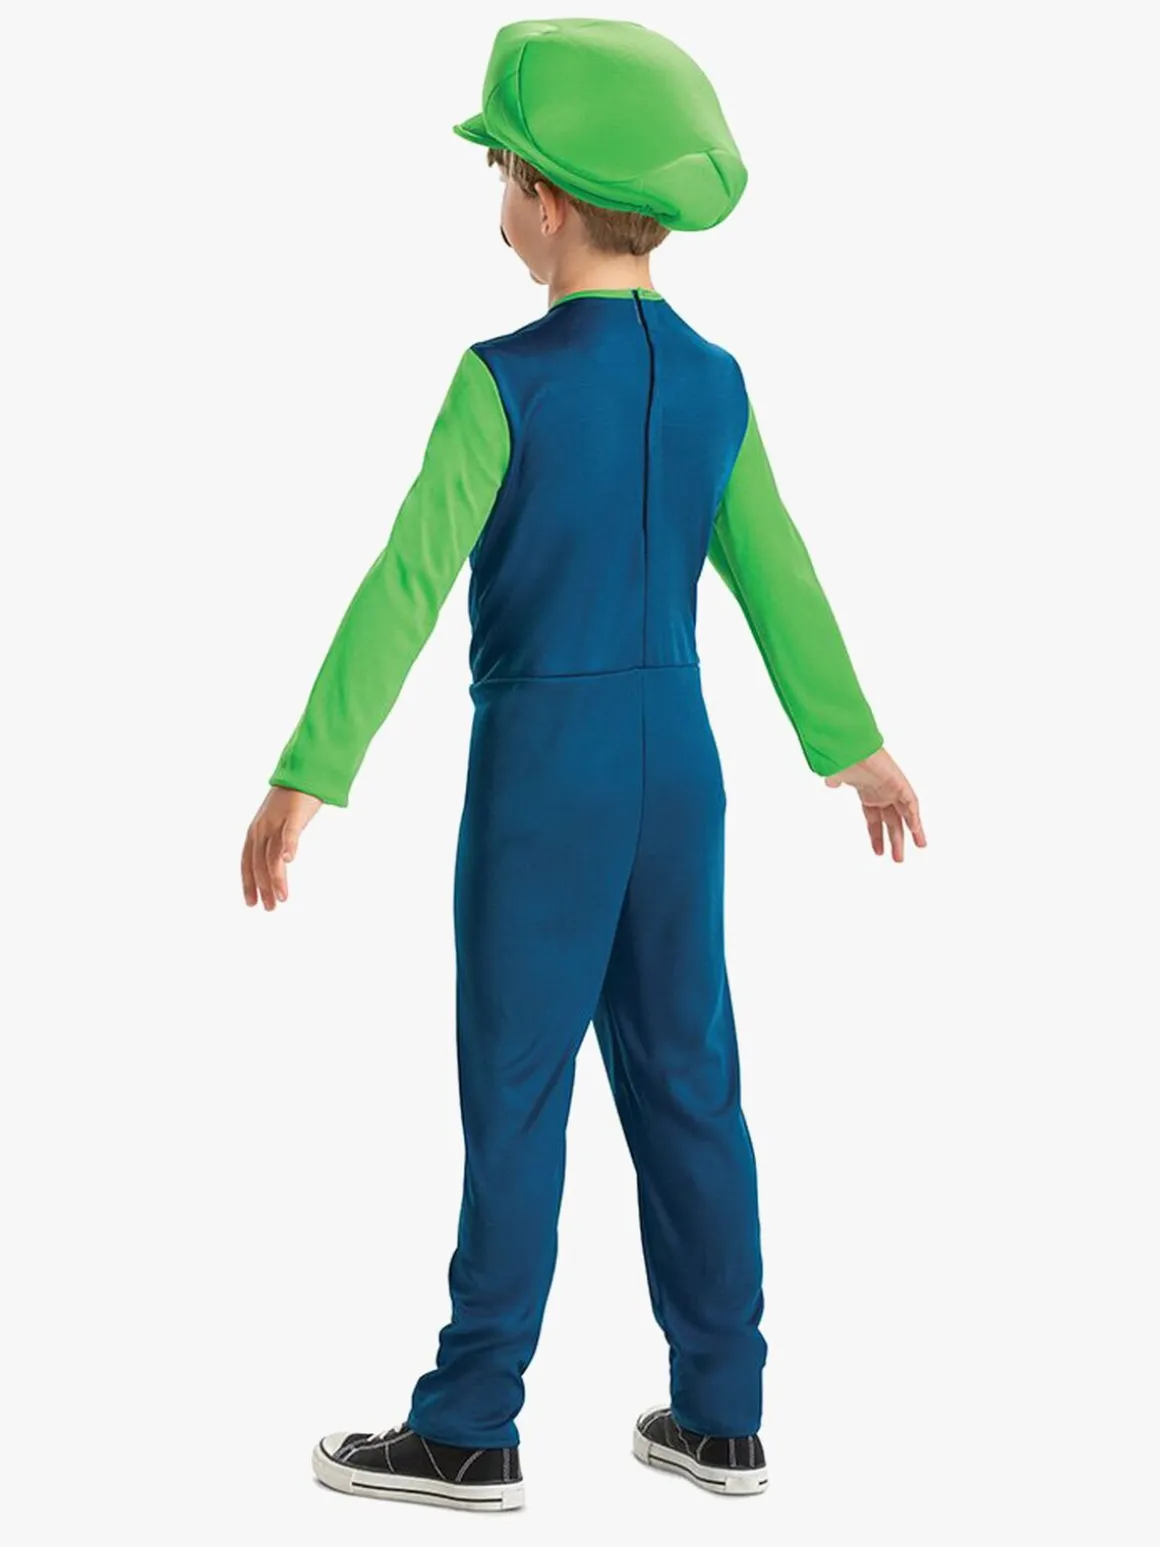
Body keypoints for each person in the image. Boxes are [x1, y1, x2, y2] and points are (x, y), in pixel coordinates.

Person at [241, 17, 925, 1514]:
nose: (494, 196)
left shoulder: (506, 380)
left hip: (545, 763)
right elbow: (779, 572)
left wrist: (311, 766)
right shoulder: (715, 380)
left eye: (498, 170)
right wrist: (854, 745)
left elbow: (409, 578)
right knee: (689, 1074)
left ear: (544, 197)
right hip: (679, 766)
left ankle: (471, 1420)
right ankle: (724, 1413)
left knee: (517, 1082)